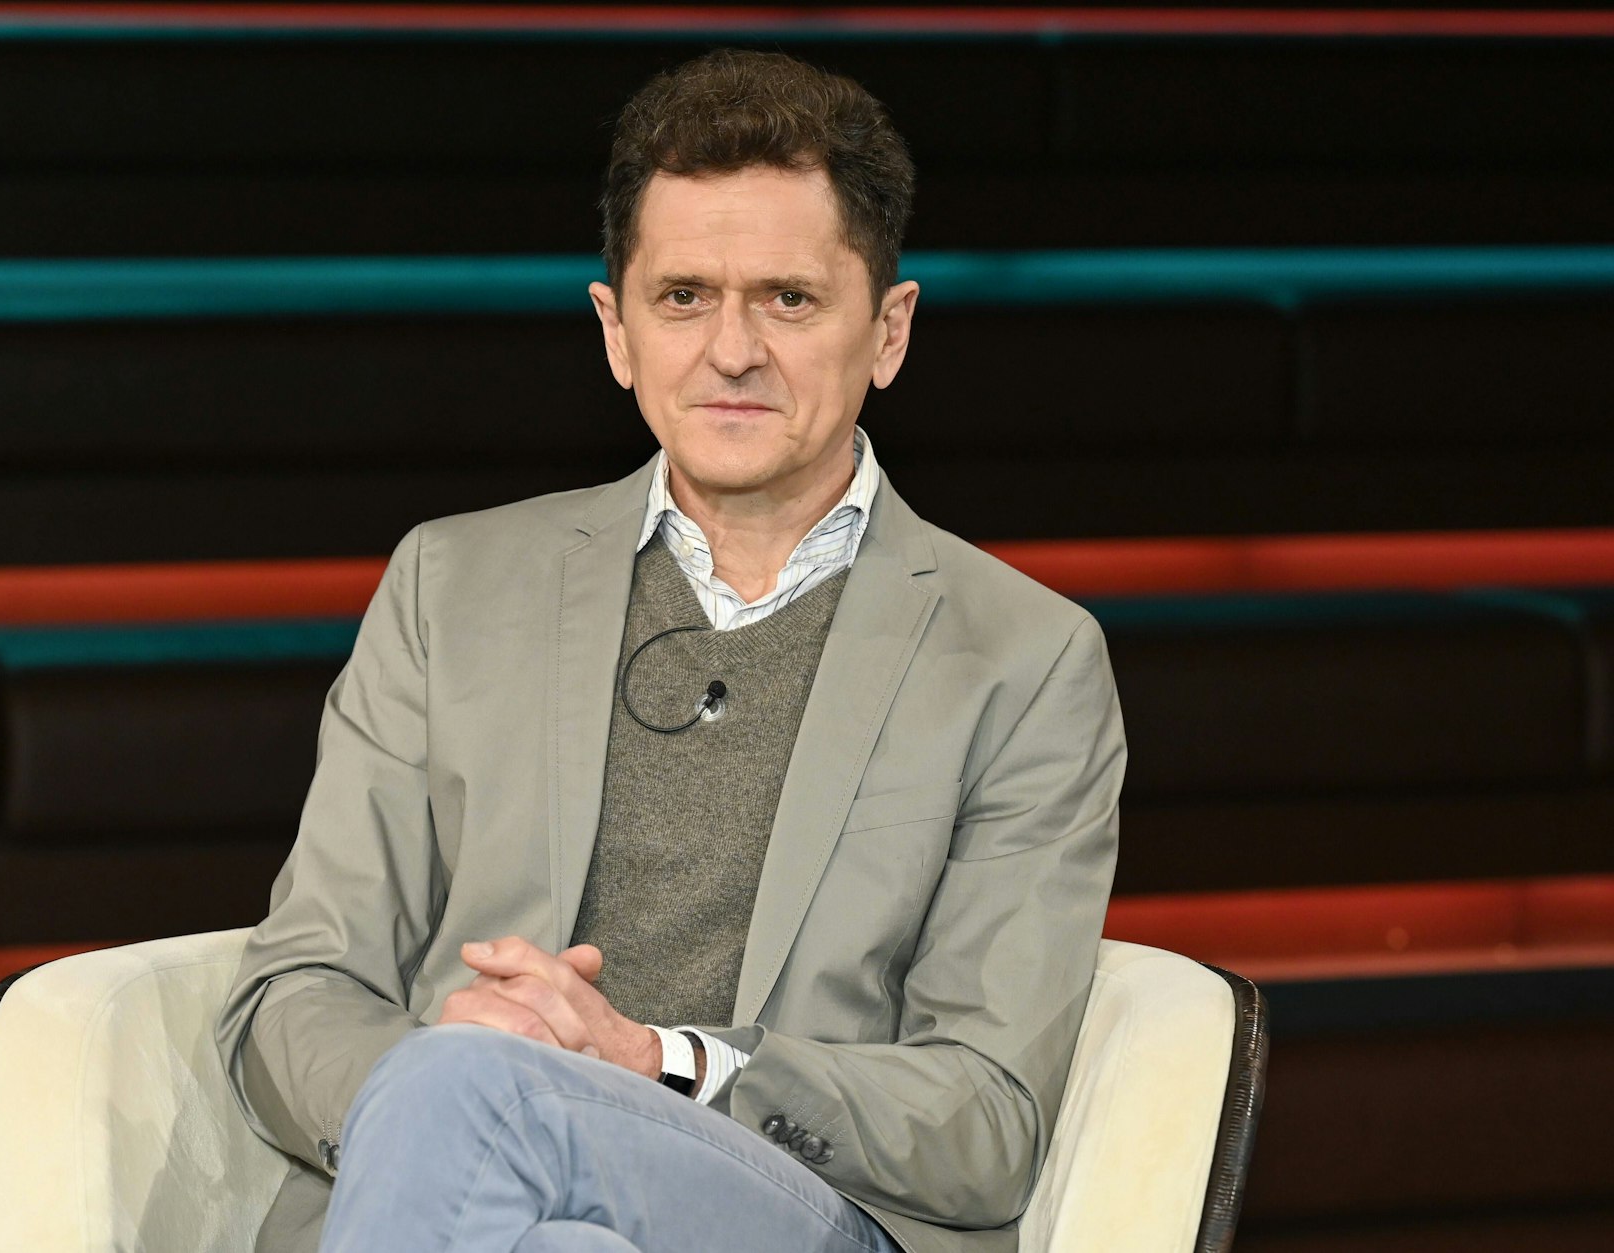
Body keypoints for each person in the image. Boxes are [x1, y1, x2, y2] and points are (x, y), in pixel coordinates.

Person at [216, 48, 1124, 1253]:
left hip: (794, 1211)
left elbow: (983, 1114)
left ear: (887, 331)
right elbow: (292, 992)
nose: (730, 350)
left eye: (787, 300)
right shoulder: (451, 584)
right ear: (617, 331)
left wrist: (660, 1061)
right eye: (683, 296)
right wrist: (442, 1094)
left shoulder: (1024, 657)